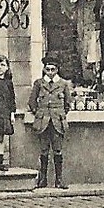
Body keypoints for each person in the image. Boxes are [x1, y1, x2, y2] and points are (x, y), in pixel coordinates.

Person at [28, 57, 73, 190]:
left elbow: (68, 104)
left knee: (57, 150)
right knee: (44, 150)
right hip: (43, 122)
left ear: (57, 70)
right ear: (44, 70)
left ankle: (59, 180)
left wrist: (60, 114)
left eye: (53, 69)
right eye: (47, 69)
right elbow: (31, 102)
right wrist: (39, 113)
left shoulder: (63, 84)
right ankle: (43, 180)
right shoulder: (39, 83)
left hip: (57, 122)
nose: (50, 72)